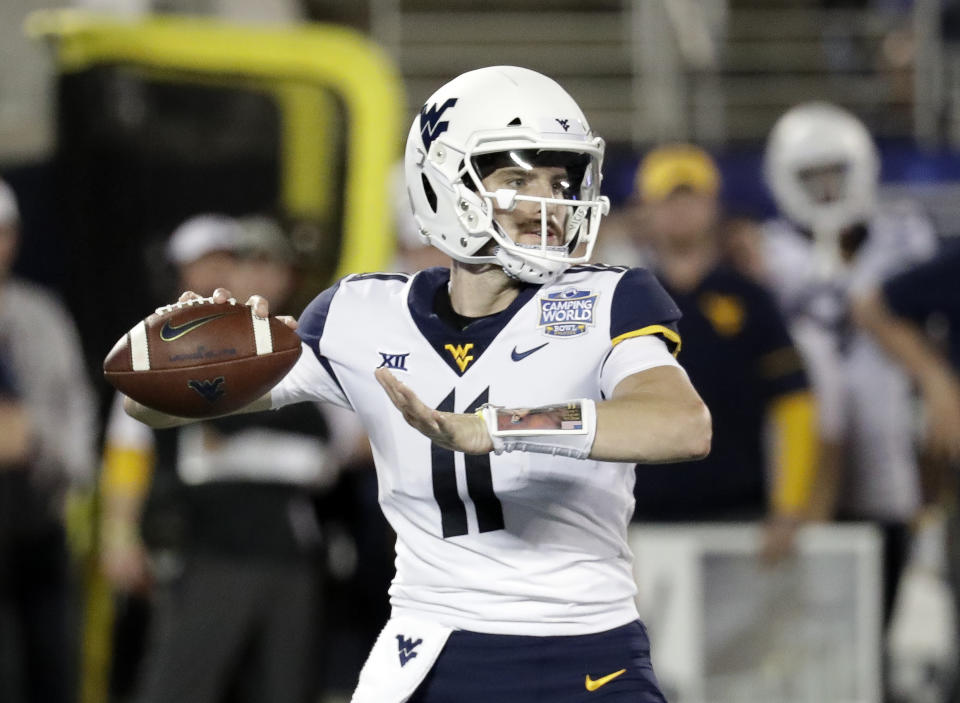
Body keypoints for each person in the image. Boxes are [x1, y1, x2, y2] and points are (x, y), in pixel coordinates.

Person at [125, 66, 711, 703]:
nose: (549, 204)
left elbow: (681, 424)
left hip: (584, 646)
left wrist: (498, 428)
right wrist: (174, 362)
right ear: (444, 185)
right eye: (517, 179)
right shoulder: (358, 314)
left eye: (559, 180)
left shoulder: (605, 299)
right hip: (430, 648)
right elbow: (149, 405)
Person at [100, 214, 339, 703]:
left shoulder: (303, 342)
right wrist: (118, 531)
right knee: (179, 685)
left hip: (289, 544)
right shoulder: (170, 347)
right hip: (206, 545)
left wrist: (232, 429)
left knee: (285, 688)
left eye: (258, 264)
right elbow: (132, 441)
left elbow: (325, 450)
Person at [761, 101, 939, 624]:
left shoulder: (903, 236)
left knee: (896, 609)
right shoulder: (765, 252)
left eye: (835, 173)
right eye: (810, 176)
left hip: (894, 447)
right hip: (803, 469)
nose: (825, 189)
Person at [625, 144, 818, 562]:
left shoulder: (751, 299)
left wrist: (789, 507)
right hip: (640, 518)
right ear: (646, 211)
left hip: (740, 515)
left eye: (690, 198)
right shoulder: (619, 301)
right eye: (667, 201)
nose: (680, 212)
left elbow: (794, 402)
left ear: (714, 206)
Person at [0, 177, 99, 703]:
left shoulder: (39, 315)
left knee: (49, 663)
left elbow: (73, 407)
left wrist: (47, 449)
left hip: (35, 514)